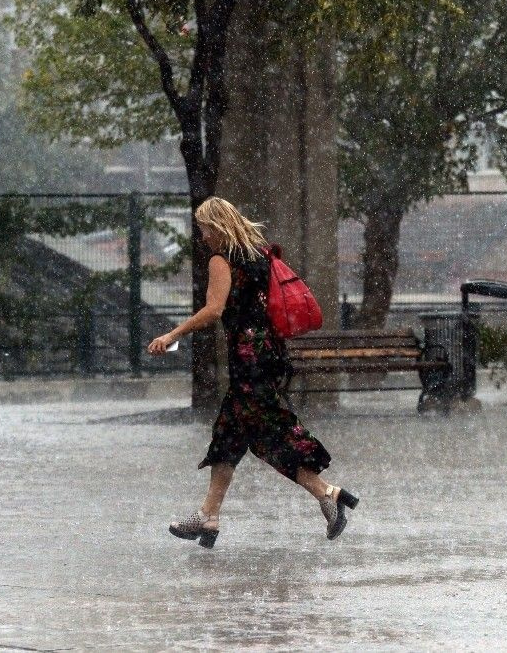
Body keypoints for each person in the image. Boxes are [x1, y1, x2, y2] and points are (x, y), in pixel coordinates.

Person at [147, 196, 359, 549]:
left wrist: (173, 334)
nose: (202, 238)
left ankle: (328, 493)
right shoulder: (260, 256)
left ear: (215, 227)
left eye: (203, 230)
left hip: (248, 361)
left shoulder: (222, 259)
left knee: (270, 434)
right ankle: (208, 516)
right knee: (229, 435)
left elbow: (214, 310)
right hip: (269, 355)